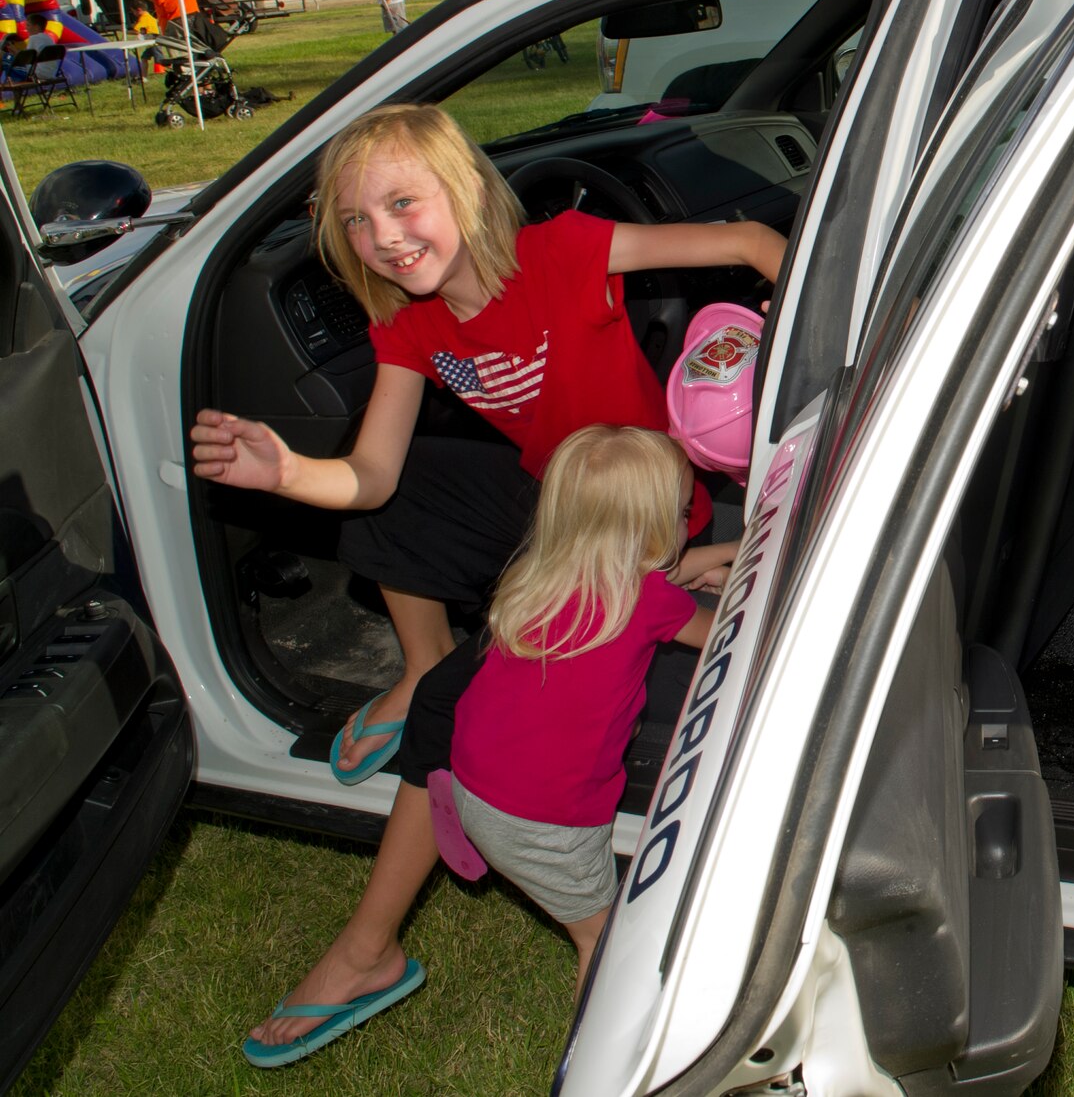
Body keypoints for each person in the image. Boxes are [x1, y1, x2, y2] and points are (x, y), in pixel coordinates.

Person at [195, 103, 779, 1064]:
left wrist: (825, 324)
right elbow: (371, 475)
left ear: (462, 189)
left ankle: (366, 950)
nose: (383, 236)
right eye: (356, 221)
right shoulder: (407, 323)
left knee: (451, 721)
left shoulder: (569, 249)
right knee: (403, 484)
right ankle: (420, 662)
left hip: (633, 516)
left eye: (402, 202)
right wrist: (286, 470)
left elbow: (752, 238)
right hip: (547, 507)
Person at [448, 425, 714, 998]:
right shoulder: (649, 600)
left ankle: (482, 841)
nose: (687, 524)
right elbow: (722, 631)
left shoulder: (543, 574)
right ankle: (599, 1063)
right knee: (606, 939)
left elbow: (655, 581)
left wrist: (725, 557)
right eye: (682, 512)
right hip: (546, 823)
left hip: (472, 781)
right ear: (651, 525)